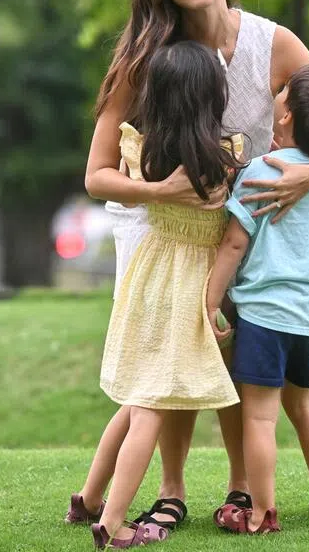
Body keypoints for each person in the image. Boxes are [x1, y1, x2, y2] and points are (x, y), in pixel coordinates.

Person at [68, 0, 309, 531]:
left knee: (235, 350)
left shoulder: (276, 44)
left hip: (246, 213)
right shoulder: (147, 57)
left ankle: (239, 489)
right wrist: (163, 192)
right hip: (161, 223)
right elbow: (97, 176)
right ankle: (170, 490)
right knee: (174, 353)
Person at [80, 39, 246, 550]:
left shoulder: (142, 151)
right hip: (192, 285)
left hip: (148, 278)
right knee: (150, 407)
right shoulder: (225, 158)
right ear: (213, 96)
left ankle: (90, 499)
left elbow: (107, 179)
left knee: (139, 399)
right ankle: (111, 523)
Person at [206, 62, 309, 534]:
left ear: (287, 115)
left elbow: (233, 244)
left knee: (259, 416)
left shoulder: (261, 170)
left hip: (265, 316)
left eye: (281, 94)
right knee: (306, 406)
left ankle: (261, 512)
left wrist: (210, 301)